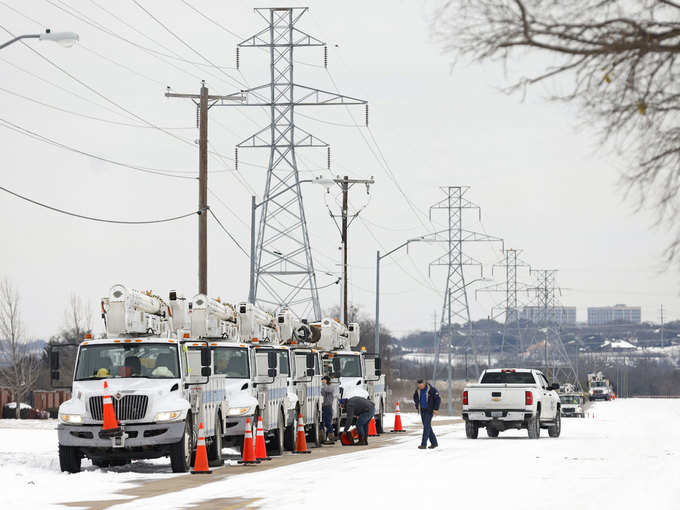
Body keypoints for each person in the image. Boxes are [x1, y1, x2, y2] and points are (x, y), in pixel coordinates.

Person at [413, 379, 440, 449]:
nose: (420, 387)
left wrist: (436, 409)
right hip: (422, 410)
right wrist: (417, 405)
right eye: (418, 385)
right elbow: (415, 397)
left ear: (424, 384)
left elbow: (438, 399)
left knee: (426, 427)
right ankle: (434, 443)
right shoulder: (418, 390)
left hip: (429, 410)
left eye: (421, 385)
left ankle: (423, 444)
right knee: (428, 427)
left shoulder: (432, 390)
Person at [321, 375, 336, 444]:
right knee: (323, 422)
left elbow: (327, 390)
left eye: (324, 380)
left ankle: (331, 438)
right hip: (323, 406)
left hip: (328, 406)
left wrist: (324, 384)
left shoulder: (331, 387)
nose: (322, 381)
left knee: (328, 422)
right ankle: (324, 437)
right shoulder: (324, 387)